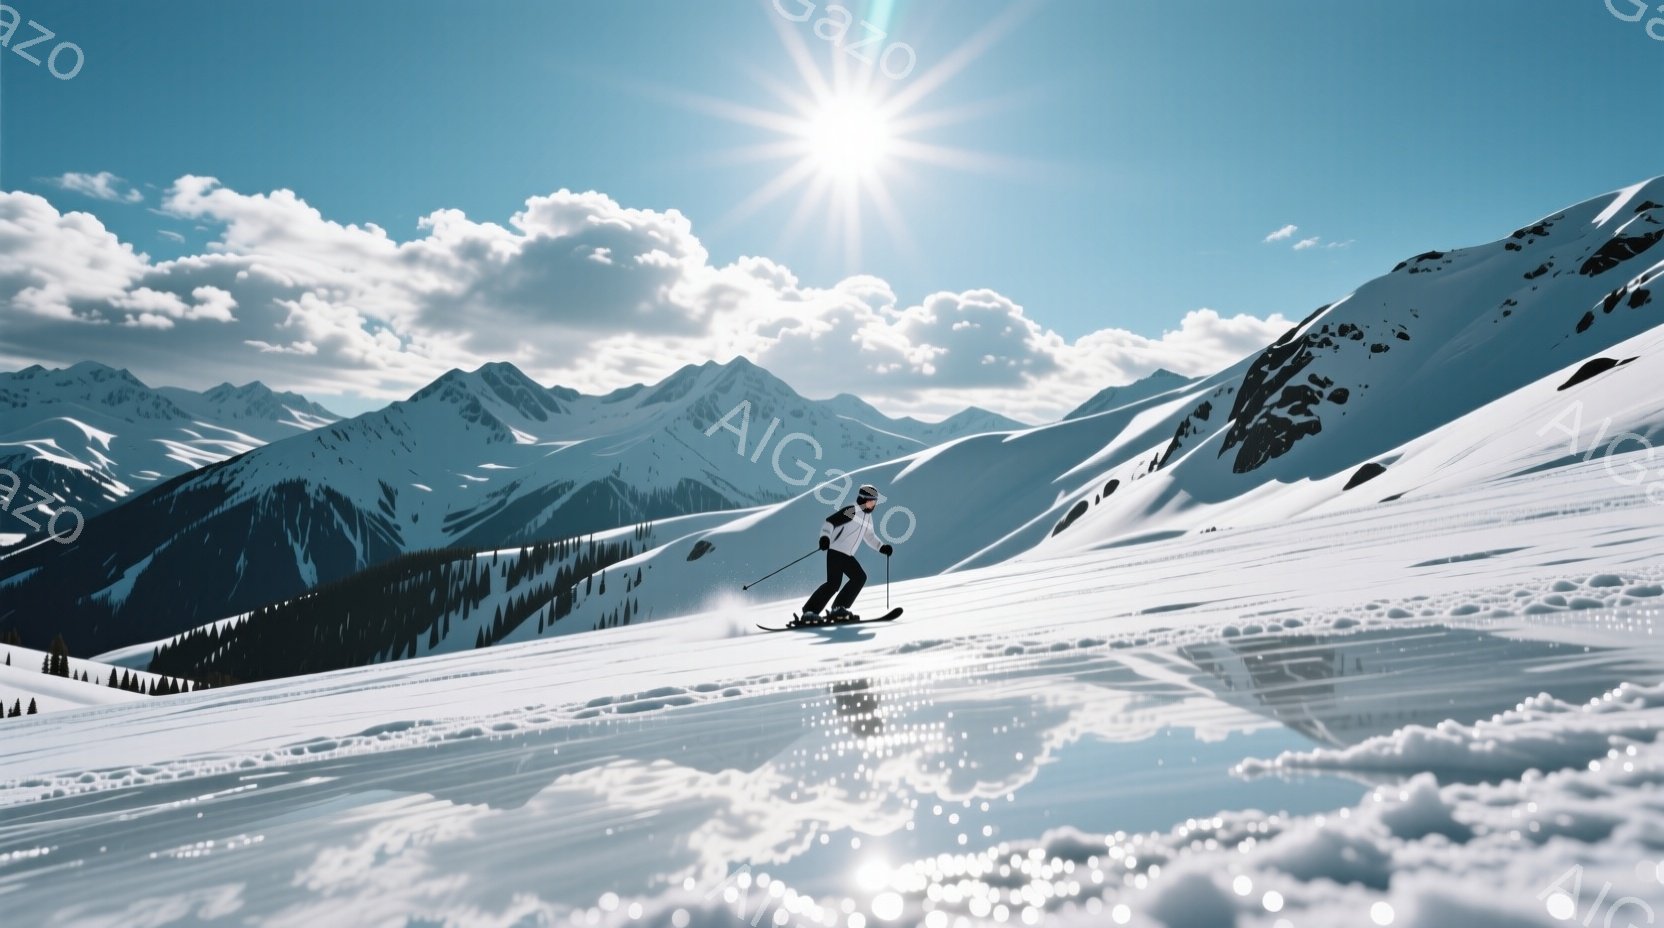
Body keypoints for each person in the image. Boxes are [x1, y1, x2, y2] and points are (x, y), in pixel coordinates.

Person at [798, 483, 893, 625]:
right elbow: (830, 522)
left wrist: (882, 547)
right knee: (834, 584)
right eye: (870, 501)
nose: (873, 505)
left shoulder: (867, 517)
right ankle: (809, 612)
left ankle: (838, 609)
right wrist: (825, 538)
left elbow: (870, 536)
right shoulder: (852, 511)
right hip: (836, 552)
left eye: (874, 502)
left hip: (847, 555)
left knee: (859, 578)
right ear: (862, 499)